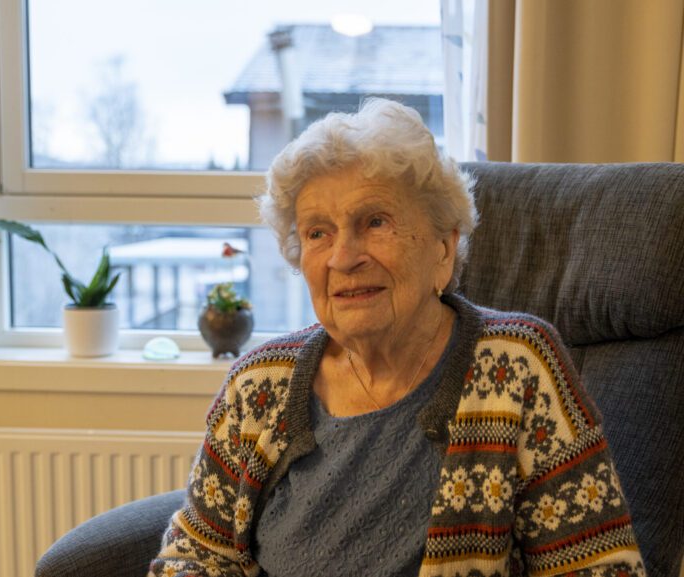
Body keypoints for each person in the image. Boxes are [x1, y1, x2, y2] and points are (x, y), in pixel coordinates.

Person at [149, 99, 645, 577]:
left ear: (443, 249)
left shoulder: (518, 367)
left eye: (375, 222)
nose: (344, 257)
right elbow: (193, 556)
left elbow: (598, 567)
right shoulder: (259, 385)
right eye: (318, 233)